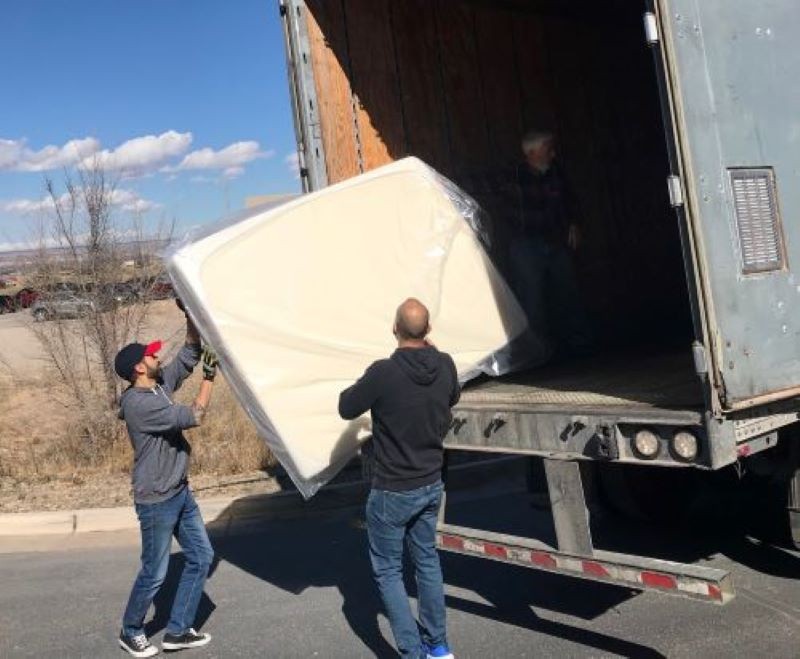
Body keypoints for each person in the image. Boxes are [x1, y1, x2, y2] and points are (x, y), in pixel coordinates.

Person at [338, 298, 460, 659]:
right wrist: (435, 357)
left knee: (389, 571)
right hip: (430, 482)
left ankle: (410, 652)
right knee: (427, 562)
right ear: (429, 332)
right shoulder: (446, 363)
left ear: (394, 329)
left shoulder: (383, 372)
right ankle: (438, 647)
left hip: (392, 488)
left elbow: (346, 406)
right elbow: (452, 395)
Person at [115, 300, 218, 657]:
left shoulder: (157, 386)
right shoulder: (140, 404)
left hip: (179, 490)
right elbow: (195, 416)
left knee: (202, 557)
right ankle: (130, 630)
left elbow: (189, 353)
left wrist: (191, 310)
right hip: (156, 498)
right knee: (155, 572)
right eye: (152, 355)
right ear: (139, 368)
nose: (158, 357)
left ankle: (177, 632)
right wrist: (210, 377)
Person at [510, 129, 593, 358]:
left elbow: (571, 200)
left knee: (569, 293)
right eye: (548, 149)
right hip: (526, 245)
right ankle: (538, 353)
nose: (553, 154)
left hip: (556, 242)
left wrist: (574, 224)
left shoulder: (556, 172)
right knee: (532, 299)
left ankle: (580, 346)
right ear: (532, 152)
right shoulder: (513, 176)